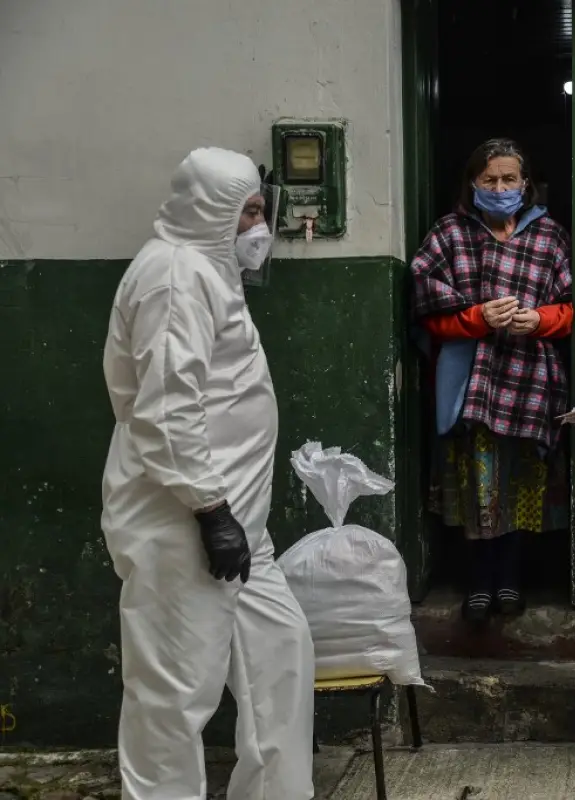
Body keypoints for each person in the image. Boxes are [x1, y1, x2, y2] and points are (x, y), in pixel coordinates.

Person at [101, 147, 315, 800]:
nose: (259, 226)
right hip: (186, 525)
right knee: (174, 693)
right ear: (210, 212)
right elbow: (166, 408)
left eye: (259, 209)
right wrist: (210, 510)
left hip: (237, 526)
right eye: (246, 212)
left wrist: (229, 517)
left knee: (280, 655)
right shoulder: (175, 276)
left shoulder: (209, 271)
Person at [412, 138, 572, 624]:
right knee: (478, 484)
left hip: (530, 382)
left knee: (523, 480)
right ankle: (479, 582)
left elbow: (571, 312)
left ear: (526, 185)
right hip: (472, 387)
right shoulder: (449, 236)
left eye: (509, 179)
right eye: (489, 180)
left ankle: (510, 580)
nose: (500, 188)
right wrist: (477, 318)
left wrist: (540, 321)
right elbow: (427, 316)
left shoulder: (549, 237)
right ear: (473, 183)